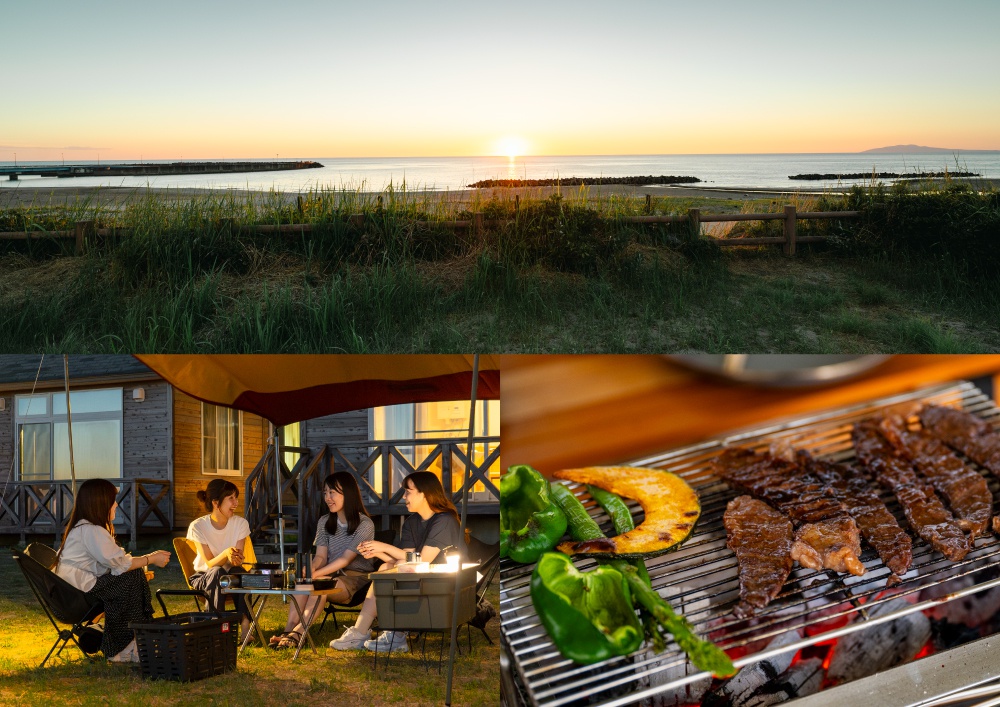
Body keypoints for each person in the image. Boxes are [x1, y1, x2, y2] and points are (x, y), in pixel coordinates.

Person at [330, 470, 464, 654]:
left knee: (391, 569)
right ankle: (367, 633)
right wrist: (377, 552)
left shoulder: (444, 521)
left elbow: (422, 561)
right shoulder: (411, 522)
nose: (404, 496)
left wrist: (382, 546)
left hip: (443, 586)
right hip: (416, 580)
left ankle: (390, 634)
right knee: (386, 568)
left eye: (408, 491)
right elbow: (404, 560)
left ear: (424, 493)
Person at [54, 478, 171, 663]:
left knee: (132, 576)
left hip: (76, 592)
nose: (116, 504)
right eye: (112, 500)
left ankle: (132, 642)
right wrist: (152, 558)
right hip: (79, 596)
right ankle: (121, 648)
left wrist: (141, 565)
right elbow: (120, 564)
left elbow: (116, 562)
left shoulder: (85, 528)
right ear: (100, 502)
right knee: (132, 575)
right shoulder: (91, 530)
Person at [270, 472, 375, 649]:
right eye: (325, 493)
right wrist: (310, 571)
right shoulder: (325, 521)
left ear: (347, 494)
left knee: (321, 585)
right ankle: (287, 631)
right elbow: (320, 557)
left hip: (356, 579)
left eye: (332, 492)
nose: (327, 498)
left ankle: (299, 634)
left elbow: (345, 559)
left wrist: (316, 574)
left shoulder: (365, 524)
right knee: (305, 582)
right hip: (330, 575)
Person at [186, 478, 253, 638]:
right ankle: (215, 628)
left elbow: (237, 559)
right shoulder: (198, 526)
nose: (236, 503)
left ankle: (245, 626)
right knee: (217, 571)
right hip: (204, 577)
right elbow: (209, 563)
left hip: (229, 576)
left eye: (236, 497)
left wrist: (236, 558)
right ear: (216, 503)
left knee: (240, 571)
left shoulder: (240, 524)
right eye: (231, 498)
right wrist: (226, 553)